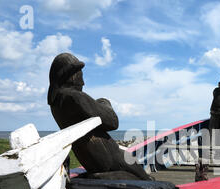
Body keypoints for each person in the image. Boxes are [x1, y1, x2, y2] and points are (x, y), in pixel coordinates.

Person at [47, 53, 153, 181]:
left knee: (136, 169)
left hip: (91, 161)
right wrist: (105, 103)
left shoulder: (56, 104)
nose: (83, 82)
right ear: (72, 76)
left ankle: (99, 177)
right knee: (146, 179)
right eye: (80, 76)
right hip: (109, 159)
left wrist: (95, 105)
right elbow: (113, 122)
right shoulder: (74, 97)